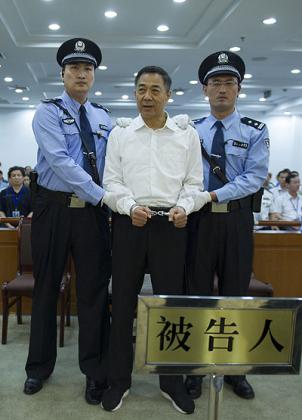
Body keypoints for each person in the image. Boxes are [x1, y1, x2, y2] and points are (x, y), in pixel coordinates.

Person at [101, 65, 211, 414]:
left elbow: (194, 183)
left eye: (154, 90)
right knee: (121, 305)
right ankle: (118, 381)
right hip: (129, 223)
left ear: (168, 94)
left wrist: (184, 207)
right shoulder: (120, 134)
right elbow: (111, 183)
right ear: (135, 93)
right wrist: (128, 205)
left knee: (170, 307)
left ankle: (172, 382)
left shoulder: (185, 134)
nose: (147, 96)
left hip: (171, 226)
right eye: (141, 89)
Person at [24, 38, 113, 405]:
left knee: (93, 292)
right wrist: (102, 194)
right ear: (62, 74)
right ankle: (38, 368)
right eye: (74, 68)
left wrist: (112, 197)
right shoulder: (46, 112)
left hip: (92, 214)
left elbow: (111, 167)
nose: (81, 74)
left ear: (93, 75)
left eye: (87, 68)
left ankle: (95, 372)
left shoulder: (103, 117)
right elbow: (60, 161)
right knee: (46, 287)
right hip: (55, 209)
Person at [185, 51, 270, 400]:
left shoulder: (256, 130)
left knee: (236, 294)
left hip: (235, 220)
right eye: (216, 83)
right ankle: (194, 368)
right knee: (197, 293)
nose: (222, 89)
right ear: (205, 90)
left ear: (239, 89)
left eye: (229, 83)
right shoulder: (191, 131)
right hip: (198, 221)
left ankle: (235, 369)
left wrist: (215, 195)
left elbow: (255, 177)